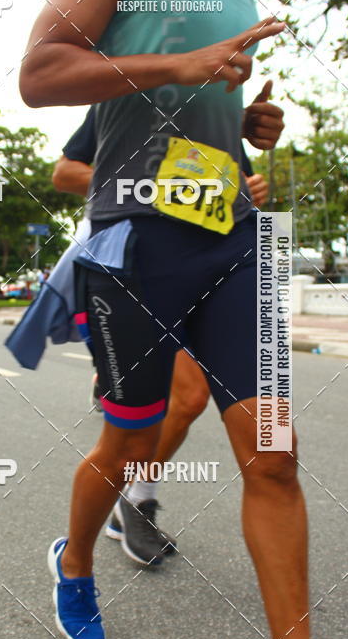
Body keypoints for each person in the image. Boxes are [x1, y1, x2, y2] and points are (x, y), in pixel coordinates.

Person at [19, 0, 348, 639]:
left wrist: (246, 125)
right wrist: (181, 65)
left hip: (234, 241)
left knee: (275, 451)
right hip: (139, 243)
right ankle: (74, 560)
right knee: (130, 440)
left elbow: (204, 113)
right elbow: (40, 74)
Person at [54, 108, 271, 565]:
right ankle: (118, 515)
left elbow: (237, 187)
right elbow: (65, 172)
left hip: (222, 266)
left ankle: (134, 497)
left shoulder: (220, 108)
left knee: (265, 441)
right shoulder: (127, 91)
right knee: (183, 401)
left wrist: (249, 190)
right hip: (144, 266)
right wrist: (153, 190)